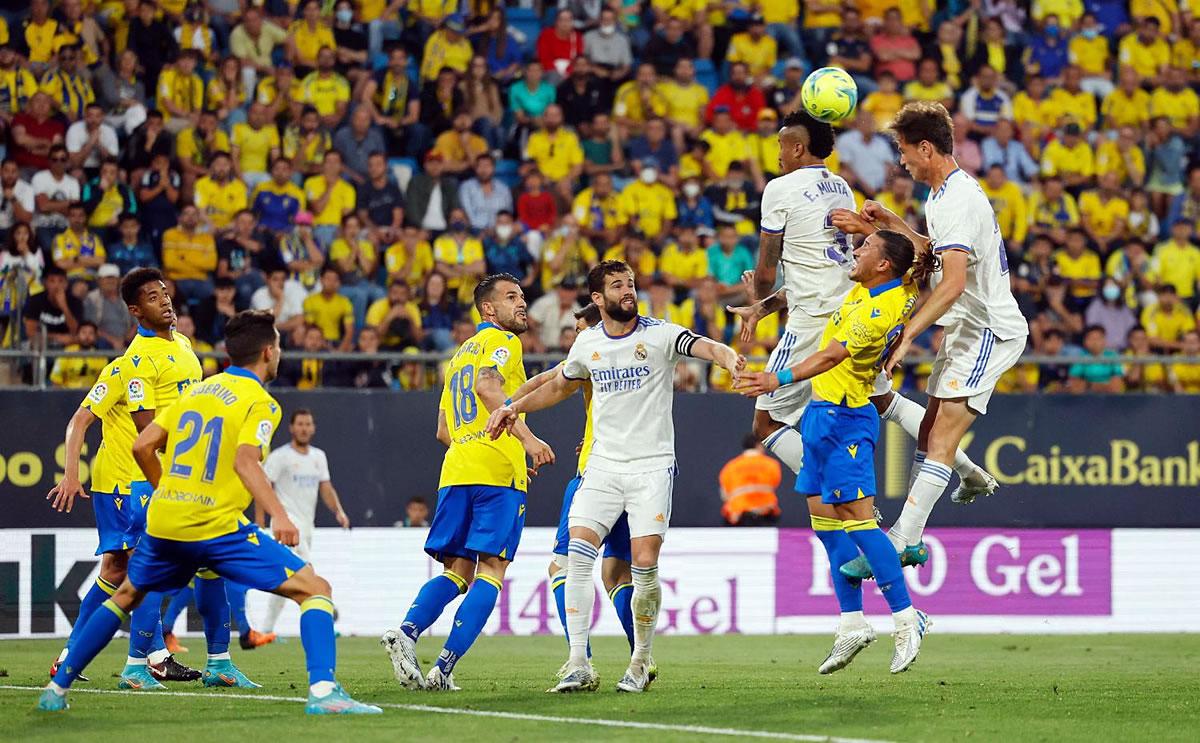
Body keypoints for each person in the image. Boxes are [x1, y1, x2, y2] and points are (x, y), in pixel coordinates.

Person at [39, 310, 381, 716]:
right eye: (279, 348)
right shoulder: (261, 403)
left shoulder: (196, 392)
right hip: (216, 523)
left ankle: (56, 690)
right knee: (315, 589)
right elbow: (245, 462)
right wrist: (279, 516)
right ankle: (324, 692)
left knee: (126, 595)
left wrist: (167, 490)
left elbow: (142, 446)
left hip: (166, 517)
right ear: (268, 353)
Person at [485, 260, 742, 693]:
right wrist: (513, 407)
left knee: (642, 566)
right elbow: (556, 386)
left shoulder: (659, 333)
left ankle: (640, 660)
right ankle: (577, 662)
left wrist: (730, 359)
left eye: (631, 284)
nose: (628, 291)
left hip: (651, 467)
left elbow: (707, 347)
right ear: (598, 299)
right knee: (577, 559)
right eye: (618, 286)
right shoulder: (587, 344)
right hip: (602, 466)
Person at [832, 102, 1029, 578]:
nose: (901, 161)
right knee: (929, 434)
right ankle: (970, 474)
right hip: (966, 327)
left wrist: (907, 334)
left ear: (926, 148)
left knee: (939, 439)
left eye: (904, 151)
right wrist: (889, 226)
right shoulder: (942, 196)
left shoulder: (960, 199)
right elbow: (933, 255)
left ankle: (902, 538)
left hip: (989, 329)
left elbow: (953, 282)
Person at [734, 229, 930, 675]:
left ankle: (906, 618)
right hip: (821, 415)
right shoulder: (892, 288)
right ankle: (852, 624)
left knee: (859, 523)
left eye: (865, 248)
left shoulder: (878, 311)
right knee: (826, 523)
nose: (856, 250)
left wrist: (777, 380)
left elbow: (828, 357)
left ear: (883, 265)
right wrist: (875, 221)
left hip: (847, 418)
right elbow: (921, 254)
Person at [381, 273, 554, 691]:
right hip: (496, 471)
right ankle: (443, 668)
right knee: (491, 570)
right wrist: (526, 442)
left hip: (457, 468)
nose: (522, 303)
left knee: (457, 571)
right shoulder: (503, 341)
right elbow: (488, 387)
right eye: (511, 297)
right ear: (488, 310)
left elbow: (443, 428)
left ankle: (406, 633)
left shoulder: (458, 355)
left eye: (522, 296)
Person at [255, 409, 350, 637]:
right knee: (306, 570)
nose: (304, 428)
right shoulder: (280, 457)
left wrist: (339, 511)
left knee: (286, 577)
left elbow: (326, 487)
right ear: (291, 427)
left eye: (308, 424)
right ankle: (325, 619)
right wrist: (260, 521)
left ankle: (266, 630)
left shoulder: (318, 456)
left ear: (313, 428)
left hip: (307, 527)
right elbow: (263, 486)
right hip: (287, 524)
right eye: (300, 424)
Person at [718, 434, 782, 527]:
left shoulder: (731, 466)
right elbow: (774, 484)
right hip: (765, 513)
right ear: (759, 445)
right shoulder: (771, 464)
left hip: (738, 513)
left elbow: (725, 494)